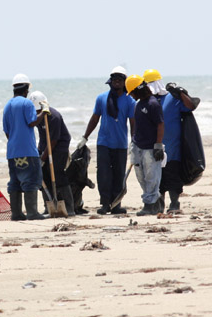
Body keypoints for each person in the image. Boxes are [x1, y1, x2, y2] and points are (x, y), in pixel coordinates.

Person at [79, 66, 136, 214]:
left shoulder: (130, 100)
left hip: (121, 144)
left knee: (119, 174)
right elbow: (95, 118)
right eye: (114, 79)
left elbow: (132, 122)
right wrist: (85, 137)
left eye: (120, 79)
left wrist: (134, 141)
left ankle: (116, 204)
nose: (117, 82)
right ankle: (105, 204)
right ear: (110, 81)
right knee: (103, 174)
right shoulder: (101, 98)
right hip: (104, 142)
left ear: (125, 82)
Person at [147, 70, 199, 212]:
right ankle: (160, 205)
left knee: (173, 176)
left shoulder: (172, 98)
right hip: (153, 148)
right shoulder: (147, 101)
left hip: (173, 147)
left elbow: (191, 106)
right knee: (158, 179)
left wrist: (180, 92)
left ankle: (175, 204)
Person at [3, 74, 48, 221]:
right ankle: (32, 212)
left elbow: (7, 131)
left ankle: (16, 213)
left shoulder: (7, 105)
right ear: (26, 89)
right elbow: (32, 122)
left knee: (15, 181)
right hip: (27, 151)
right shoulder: (27, 104)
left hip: (12, 152)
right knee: (31, 180)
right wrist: (43, 113)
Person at [28, 91, 75, 216]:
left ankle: (69, 207)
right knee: (42, 175)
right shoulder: (36, 117)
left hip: (60, 146)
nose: (36, 113)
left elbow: (53, 140)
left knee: (57, 174)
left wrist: (43, 158)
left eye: (38, 110)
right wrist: (40, 154)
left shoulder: (54, 117)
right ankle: (48, 206)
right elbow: (44, 138)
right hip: (46, 145)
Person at [125, 75, 165, 216]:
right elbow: (137, 125)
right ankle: (155, 201)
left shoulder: (153, 104)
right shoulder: (138, 104)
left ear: (138, 90)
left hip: (150, 147)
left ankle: (149, 205)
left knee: (151, 176)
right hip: (138, 146)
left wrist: (158, 145)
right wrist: (133, 143)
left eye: (132, 92)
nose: (132, 95)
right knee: (141, 176)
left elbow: (160, 124)